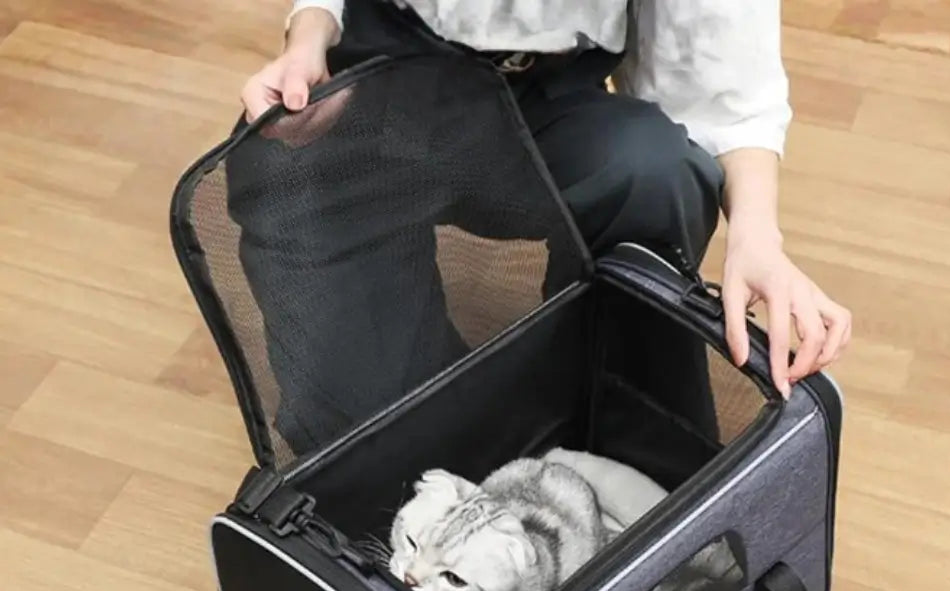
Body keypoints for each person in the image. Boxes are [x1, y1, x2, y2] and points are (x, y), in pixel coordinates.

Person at [238, 0, 851, 452]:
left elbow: (723, 79)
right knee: (375, 442)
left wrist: (757, 235)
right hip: (379, 76)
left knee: (653, 174)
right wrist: (307, 39)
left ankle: (613, 421)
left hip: (547, 95)